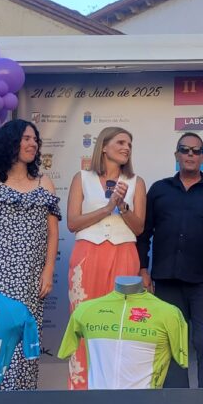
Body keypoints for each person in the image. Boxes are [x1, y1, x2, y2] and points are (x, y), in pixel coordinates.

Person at [0, 119, 60, 390]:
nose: (32, 144)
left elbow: (53, 233)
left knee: (22, 334)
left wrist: (48, 270)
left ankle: (19, 399)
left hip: (29, 277)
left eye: (35, 139)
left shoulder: (44, 183)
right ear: (10, 141)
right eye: (26, 138)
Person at [137, 132, 203, 388]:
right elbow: (144, 233)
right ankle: (176, 402)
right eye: (185, 150)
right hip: (166, 280)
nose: (190, 154)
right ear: (176, 155)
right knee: (172, 343)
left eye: (196, 151)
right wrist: (143, 268)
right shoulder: (159, 189)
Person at [65, 126, 146, 389]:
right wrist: (107, 207)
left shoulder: (136, 182)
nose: (126, 148)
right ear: (103, 146)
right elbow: (73, 222)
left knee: (121, 321)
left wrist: (122, 208)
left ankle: (119, 390)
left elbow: (139, 228)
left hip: (124, 253)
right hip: (88, 253)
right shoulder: (82, 178)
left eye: (130, 144)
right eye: (121, 142)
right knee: (84, 319)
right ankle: (82, 390)